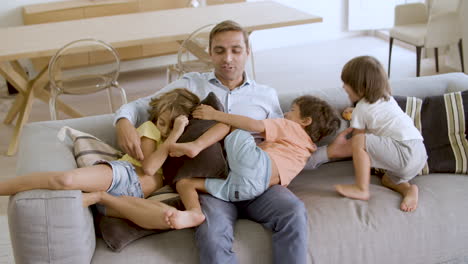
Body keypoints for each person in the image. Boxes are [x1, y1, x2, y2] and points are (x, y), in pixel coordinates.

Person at [114, 20, 352, 264]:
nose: (228, 58)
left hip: (258, 182)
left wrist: (329, 154)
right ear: (210, 53)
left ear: (247, 52)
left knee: (293, 212)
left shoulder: (265, 95)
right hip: (211, 183)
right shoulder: (191, 84)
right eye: (219, 50)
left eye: (236, 50)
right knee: (212, 235)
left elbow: (290, 147)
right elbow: (141, 105)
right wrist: (123, 121)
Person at [0, 88, 199, 225]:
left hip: (130, 198)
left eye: (171, 125)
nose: (163, 128)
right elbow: (148, 168)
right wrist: (173, 135)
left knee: (168, 219)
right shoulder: (151, 130)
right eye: (162, 122)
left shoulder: (183, 142)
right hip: (125, 175)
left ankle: (99, 198)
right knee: (64, 179)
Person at [165, 95, 340, 229]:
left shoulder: (291, 127)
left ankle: (196, 146)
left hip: (255, 167)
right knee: (186, 182)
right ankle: (195, 214)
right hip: (252, 189)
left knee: (232, 124)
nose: (285, 114)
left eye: (292, 110)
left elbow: (254, 125)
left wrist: (215, 114)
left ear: (305, 121)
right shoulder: (306, 152)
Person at [334, 56, 427, 212]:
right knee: (386, 180)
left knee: (358, 141)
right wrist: (356, 112)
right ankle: (408, 190)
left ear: (361, 88)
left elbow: (358, 137)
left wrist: (355, 116)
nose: (343, 87)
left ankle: (361, 188)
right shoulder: (388, 99)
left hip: (404, 153)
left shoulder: (362, 109)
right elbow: (377, 120)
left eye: (346, 83)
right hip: (420, 154)